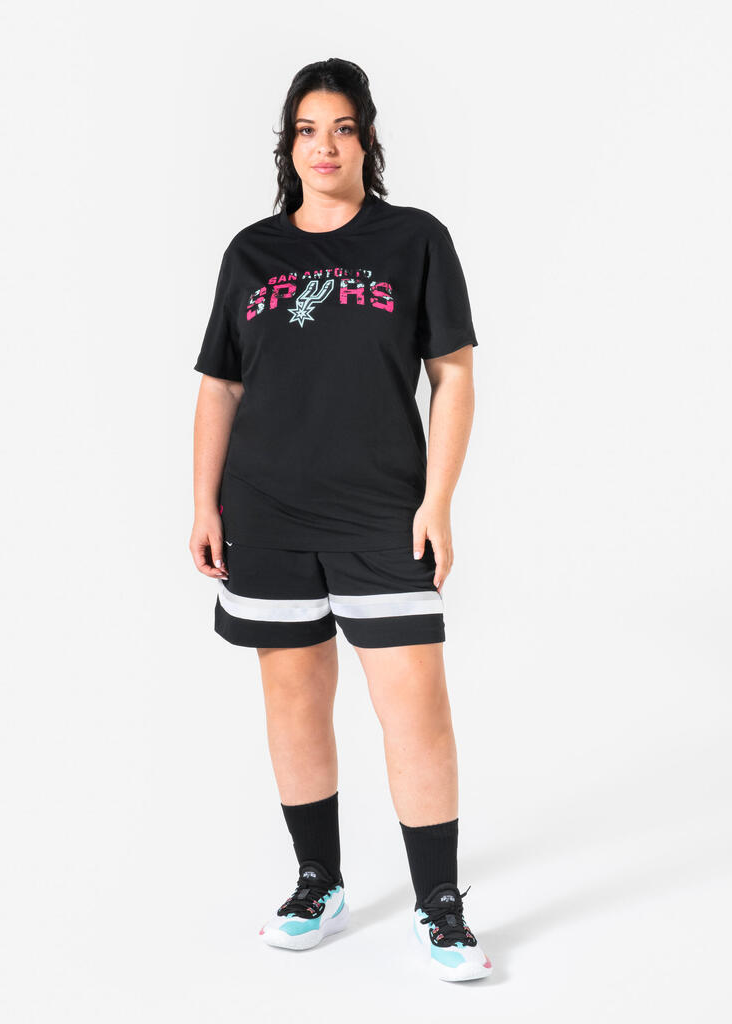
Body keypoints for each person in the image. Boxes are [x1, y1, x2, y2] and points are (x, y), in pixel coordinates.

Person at [189, 58, 491, 982]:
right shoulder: (251, 253)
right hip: (266, 511)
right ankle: (317, 882)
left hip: (383, 513)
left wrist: (438, 500)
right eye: (307, 130)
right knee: (293, 699)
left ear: (367, 140)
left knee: (415, 707)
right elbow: (220, 386)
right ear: (288, 146)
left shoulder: (415, 240)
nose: (325, 146)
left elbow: (453, 376)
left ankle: (439, 902)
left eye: (344, 128)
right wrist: (202, 502)